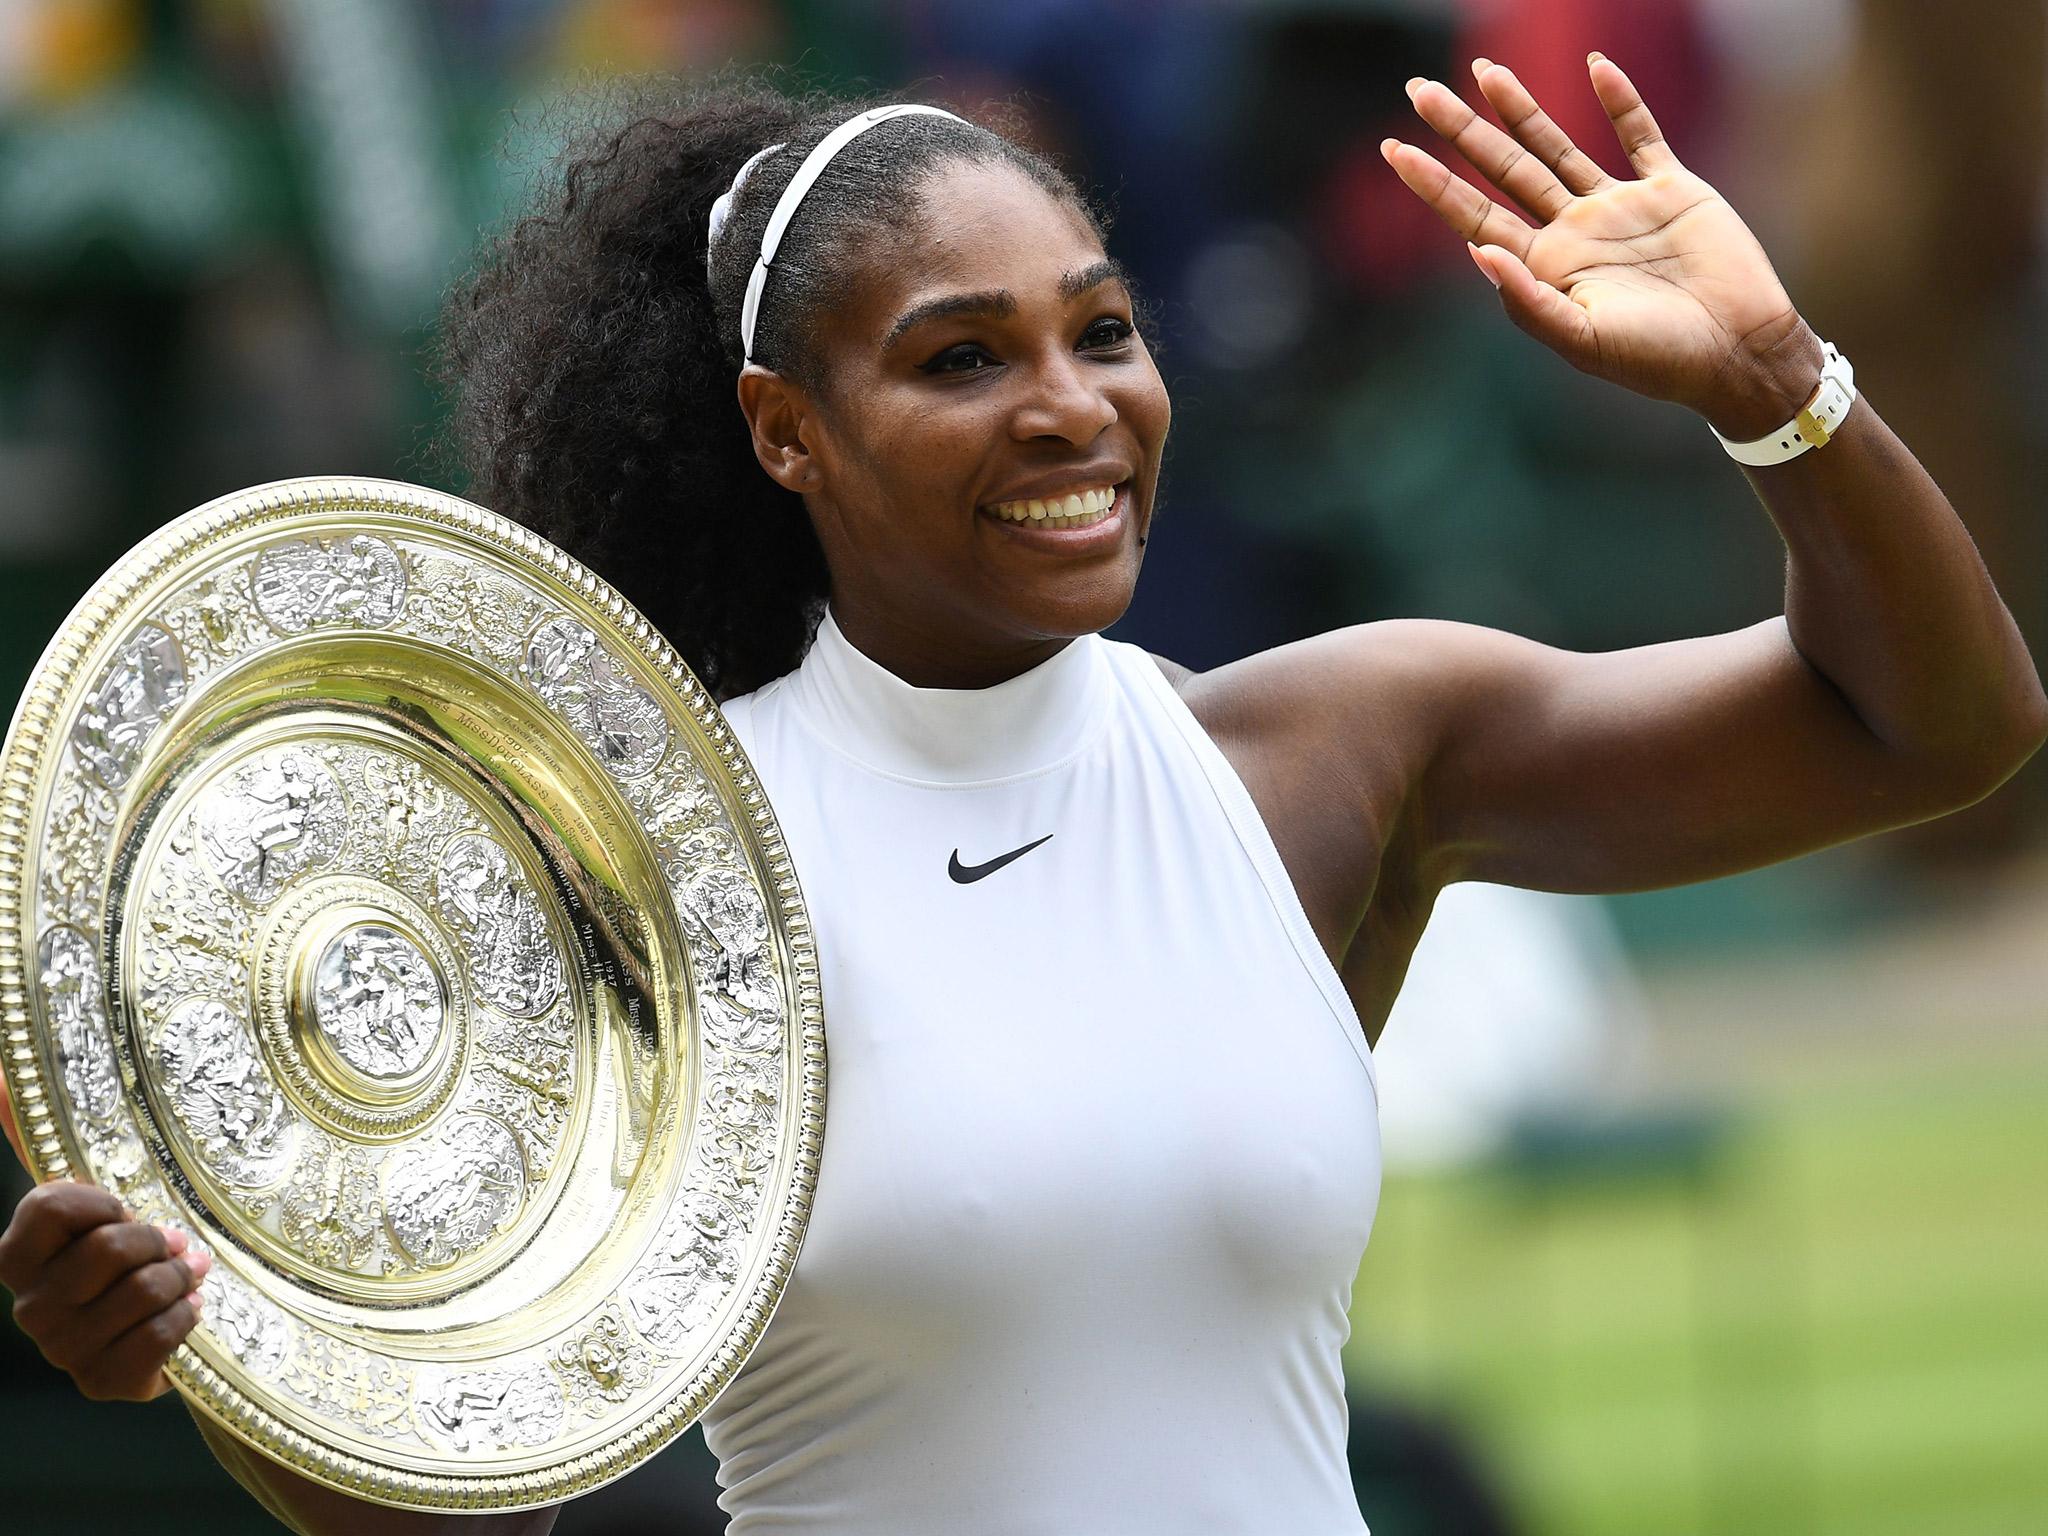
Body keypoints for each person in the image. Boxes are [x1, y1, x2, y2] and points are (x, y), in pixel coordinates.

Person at [4, 56, 2044, 1536]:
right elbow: (460, 1516)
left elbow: (1934, 729)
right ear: (785, 432)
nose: (1072, 403)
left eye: (1103, 331)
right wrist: (216, 1371)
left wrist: (1780, 382)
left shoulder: (1336, 757)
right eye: (961, 358)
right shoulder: (655, 885)